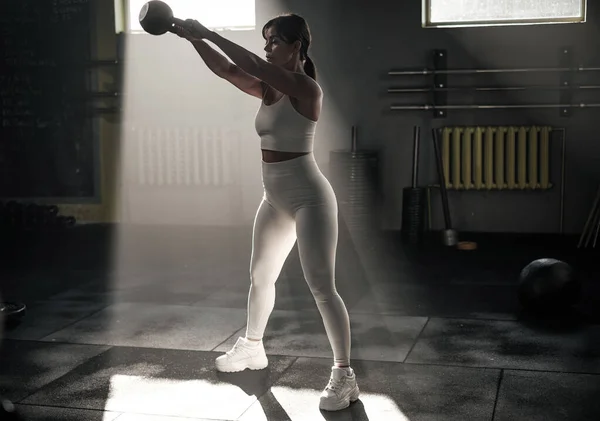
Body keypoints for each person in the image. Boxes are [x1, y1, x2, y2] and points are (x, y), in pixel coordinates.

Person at [172, 14, 359, 411]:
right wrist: (190, 37)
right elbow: (226, 69)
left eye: (274, 41)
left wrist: (209, 31)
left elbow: (252, 65)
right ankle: (253, 348)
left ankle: (344, 375)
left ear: (297, 47)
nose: (267, 47)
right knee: (260, 276)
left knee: (322, 287)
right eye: (266, 41)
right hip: (274, 198)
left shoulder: (305, 88)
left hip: (310, 197)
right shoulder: (267, 91)